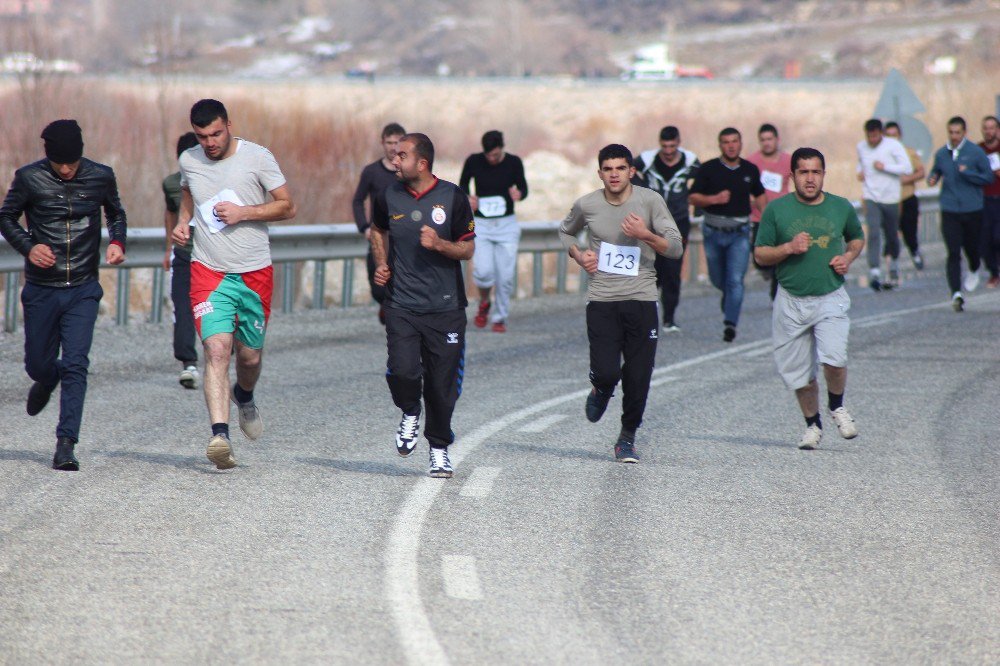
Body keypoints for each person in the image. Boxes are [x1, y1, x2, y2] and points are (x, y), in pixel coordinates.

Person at [172, 99, 296, 469]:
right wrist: (183, 222)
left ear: (229, 125)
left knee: (249, 356)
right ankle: (220, 435)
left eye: (216, 134)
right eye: (202, 136)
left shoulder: (257, 157)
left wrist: (245, 212)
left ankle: (245, 394)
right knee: (216, 350)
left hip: (254, 272)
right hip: (208, 272)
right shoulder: (189, 160)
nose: (209, 143)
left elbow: (288, 206)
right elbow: (188, 195)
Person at [0, 119, 127, 470]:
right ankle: (46, 376)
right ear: (48, 157)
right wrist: (28, 246)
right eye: (60, 164)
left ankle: (66, 443)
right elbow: (7, 217)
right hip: (42, 288)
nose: (68, 169)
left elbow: (115, 213)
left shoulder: (101, 176)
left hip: (83, 288)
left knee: (76, 363)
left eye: (73, 162)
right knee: (38, 364)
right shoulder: (29, 178)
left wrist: (117, 242)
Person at [559, 144, 682, 463]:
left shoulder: (650, 201)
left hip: (641, 298)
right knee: (607, 370)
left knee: (639, 376)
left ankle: (627, 438)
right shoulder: (587, 204)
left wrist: (646, 234)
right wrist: (578, 254)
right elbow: (566, 232)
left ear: (632, 171)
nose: (614, 174)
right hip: (602, 299)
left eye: (620, 168)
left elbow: (676, 248)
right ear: (600, 173)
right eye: (608, 169)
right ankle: (601, 387)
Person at [371, 132, 475, 478]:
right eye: (394, 155)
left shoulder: (452, 196)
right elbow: (376, 231)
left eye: (401, 156)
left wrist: (440, 245)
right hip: (402, 303)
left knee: (442, 385)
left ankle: (439, 449)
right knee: (402, 371)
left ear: (422, 162)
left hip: (445, 308)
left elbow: (468, 249)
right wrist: (382, 263)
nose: (394, 161)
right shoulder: (389, 195)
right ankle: (410, 411)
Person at [754, 147, 865, 450]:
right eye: (803, 172)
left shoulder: (840, 207)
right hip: (790, 299)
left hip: (830, 295)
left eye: (816, 172)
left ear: (824, 175)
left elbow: (856, 237)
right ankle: (812, 425)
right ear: (792, 176)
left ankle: (837, 406)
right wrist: (787, 248)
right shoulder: (776, 211)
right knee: (799, 372)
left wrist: (848, 257)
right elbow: (761, 254)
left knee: (834, 356)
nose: (810, 178)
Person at [688, 127, 766, 343]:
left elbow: (760, 195)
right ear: (720, 145)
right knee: (718, 279)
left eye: (734, 141)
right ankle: (729, 297)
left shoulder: (749, 170)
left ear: (740, 144)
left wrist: (766, 219)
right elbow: (693, 197)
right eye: (726, 142)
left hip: (739, 234)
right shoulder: (708, 169)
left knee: (735, 280)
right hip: (713, 233)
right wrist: (714, 199)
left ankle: (730, 324)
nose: (731, 145)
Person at [459, 130, 528, 333]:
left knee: (505, 277)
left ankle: (499, 318)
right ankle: (484, 300)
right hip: (482, 223)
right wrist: (468, 198)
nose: (492, 159)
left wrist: (519, 193)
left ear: (502, 149)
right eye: (488, 155)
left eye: (496, 155)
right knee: (483, 272)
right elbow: (462, 184)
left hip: (506, 224)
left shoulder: (514, 162)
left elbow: (523, 187)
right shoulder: (473, 161)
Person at [633, 125, 700, 332]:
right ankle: (646, 316)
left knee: (672, 270)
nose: (669, 151)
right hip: (652, 223)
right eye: (665, 146)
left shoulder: (690, 161)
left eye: (672, 146)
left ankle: (669, 318)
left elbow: (704, 181)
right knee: (651, 269)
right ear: (660, 144)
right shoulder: (647, 160)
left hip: (678, 223)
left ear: (679, 143)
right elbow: (630, 171)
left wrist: (694, 202)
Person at [927, 116, 994, 312]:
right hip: (949, 209)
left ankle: (974, 267)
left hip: (972, 209)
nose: (954, 136)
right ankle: (956, 293)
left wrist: (968, 173)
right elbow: (936, 172)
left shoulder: (975, 152)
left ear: (964, 133)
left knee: (972, 248)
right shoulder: (941, 154)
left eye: (957, 133)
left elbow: (988, 178)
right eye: (951, 132)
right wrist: (933, 178)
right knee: (953, 251)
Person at [352, 122, 406, 323]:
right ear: (382, 143)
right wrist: (364, 227)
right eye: (389, 142)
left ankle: (398, 318)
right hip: (378, 235)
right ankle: (386, 304)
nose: (393, 147)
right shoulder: (371, 172)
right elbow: (358, 200)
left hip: (404, 235)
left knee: (403, 281)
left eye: (397, 143)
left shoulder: (408, 172)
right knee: (378, 286)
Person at [162, 131, 201, 389]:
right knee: (182, 306)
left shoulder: (217, 179)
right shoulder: (171, 184)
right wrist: (168, 249)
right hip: (184, 254)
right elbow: (170, 213)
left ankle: (227, 347)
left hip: (215, 257)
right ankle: (188, 362)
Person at [855, 118, 912, 291]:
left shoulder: (893, 145)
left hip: (891, 197)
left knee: (891, 234)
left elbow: (907, 168)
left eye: (875, 136)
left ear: (881, 133)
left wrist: (884, 166)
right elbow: (860, 164)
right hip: (871, 196)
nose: (872, 140)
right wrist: (860, 173)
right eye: (869, 137)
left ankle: (893, 263)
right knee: (872, 231)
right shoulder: (861, 147)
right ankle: (874, 270)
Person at [746, 123, 792, 301]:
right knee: (759, 256)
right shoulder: (752, 161)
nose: (766, 143)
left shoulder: (788, 161)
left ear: (777, 140)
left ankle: (776, 295)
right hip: (759, 217)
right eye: (763, 140)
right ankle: (764, 269)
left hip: (782, 216)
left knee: (779, 256)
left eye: (769, 139)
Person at [884, 121, 926, 271]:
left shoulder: (909, 152)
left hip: (907, 197)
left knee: (909, 232)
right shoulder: (881, 156)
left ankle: (914, 251)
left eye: (894, 135)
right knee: (890, 234)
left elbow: (921, 172)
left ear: (900, 135)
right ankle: (892, 265)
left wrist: (906, 179)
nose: (892, 138)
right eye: (888, 136)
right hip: (889, 200)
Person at [977, 115, 1000, 288]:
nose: (988, 131)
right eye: (985, 128)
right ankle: (993, 273)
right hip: (983, 200)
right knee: (984, 240)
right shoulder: (978, 150)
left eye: (991, 128)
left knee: (997, 236)